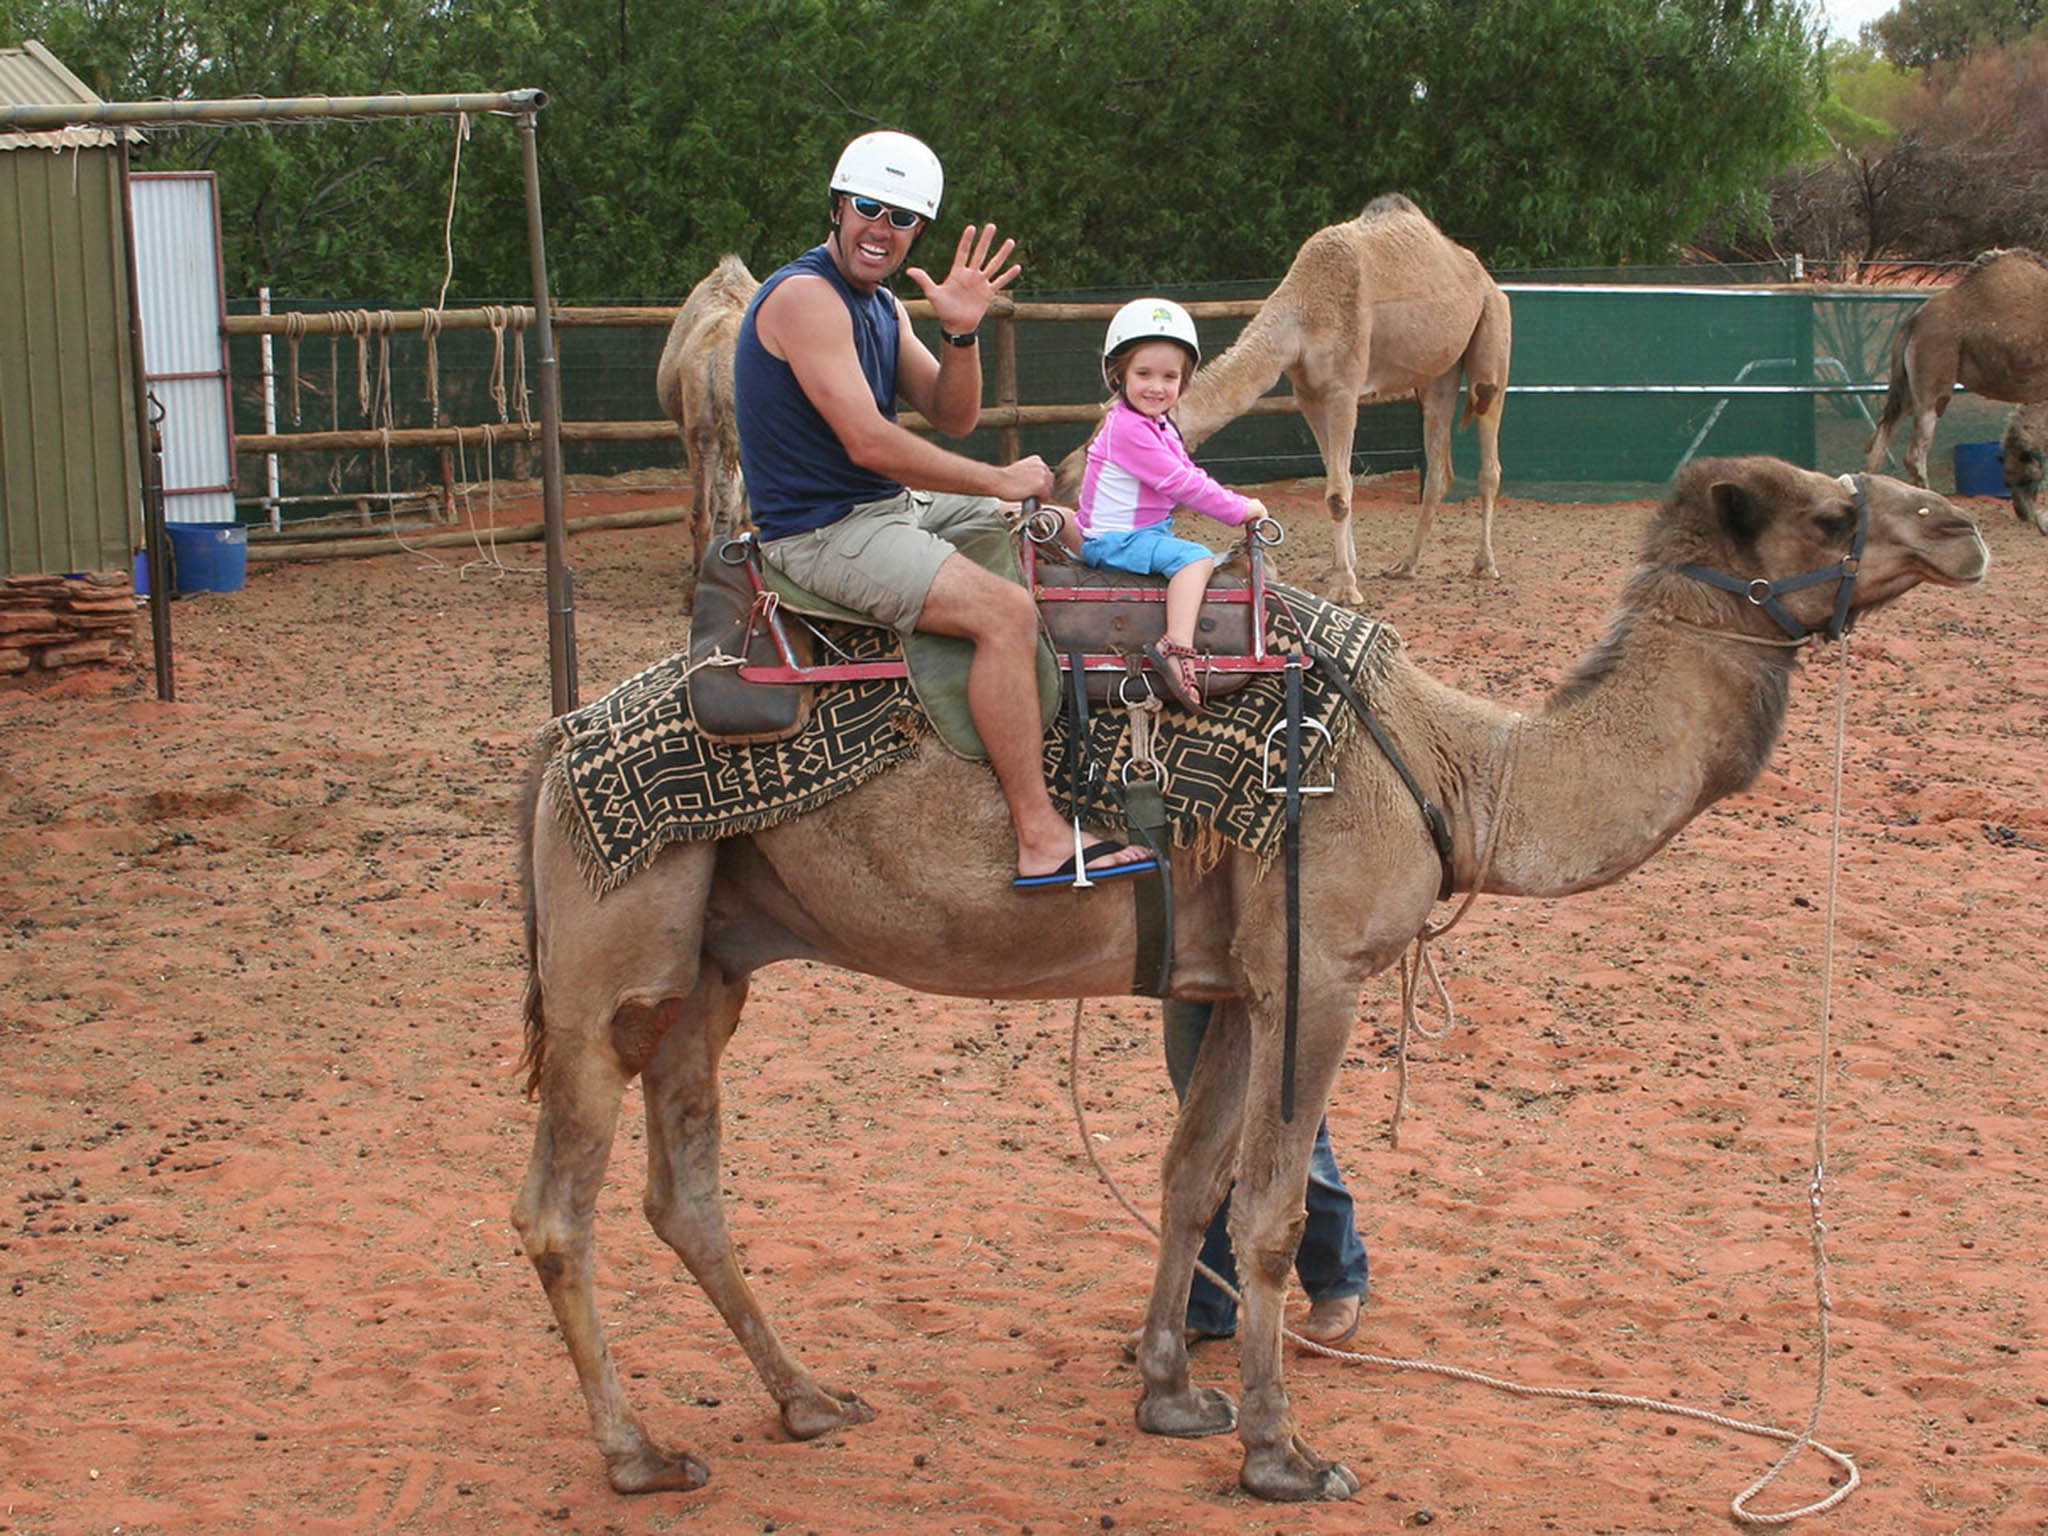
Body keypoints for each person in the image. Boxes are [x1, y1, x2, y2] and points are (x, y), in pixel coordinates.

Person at [732, 129, 1156, 892]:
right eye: (868, 207)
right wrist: (994, 482)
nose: (881, 229)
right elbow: (868, 442)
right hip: (825, 532)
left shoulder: (881, 308)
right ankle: (1038, 833)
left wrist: (960, 329)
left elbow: (951, 413)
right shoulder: (804, 299)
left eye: (901, 218)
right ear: (836, 206)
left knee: (1051, 530)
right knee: (1003, 613)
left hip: (887, 507)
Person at [1062, 298, 1268, 715]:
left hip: (1137, 533)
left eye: (1169, 376)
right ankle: (1177, 646)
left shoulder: (1155, 423)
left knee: (1181, 548)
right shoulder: (1128, 429)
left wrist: (1231, 500)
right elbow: (1181, 482)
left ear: (1184, 382)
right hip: (1118, 540)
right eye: (1144, 374)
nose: (1156, 386)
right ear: (1117, 375)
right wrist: (1238, 509)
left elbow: (1183, 469)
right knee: (1195, 560)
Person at [1161, 999, 1368, 1348]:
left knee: (1294, 1123)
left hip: (1288, 958)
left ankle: (1336, 1277)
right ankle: (1204, 1303)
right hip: (1187, 952)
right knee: (1204, 1125)